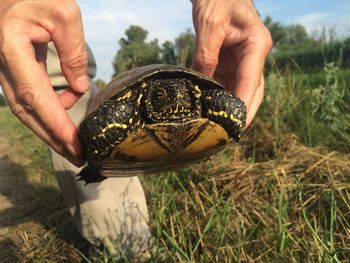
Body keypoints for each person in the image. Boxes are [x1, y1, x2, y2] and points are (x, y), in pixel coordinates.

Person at [0, 0, 272, 259]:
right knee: (59, 73)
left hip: (186, 141)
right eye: (164, 96)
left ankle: (129, 241)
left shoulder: (197, 97)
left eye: (183, 95)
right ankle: (120, 239)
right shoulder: (131, 108)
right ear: (151, 98)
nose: (177, 98)